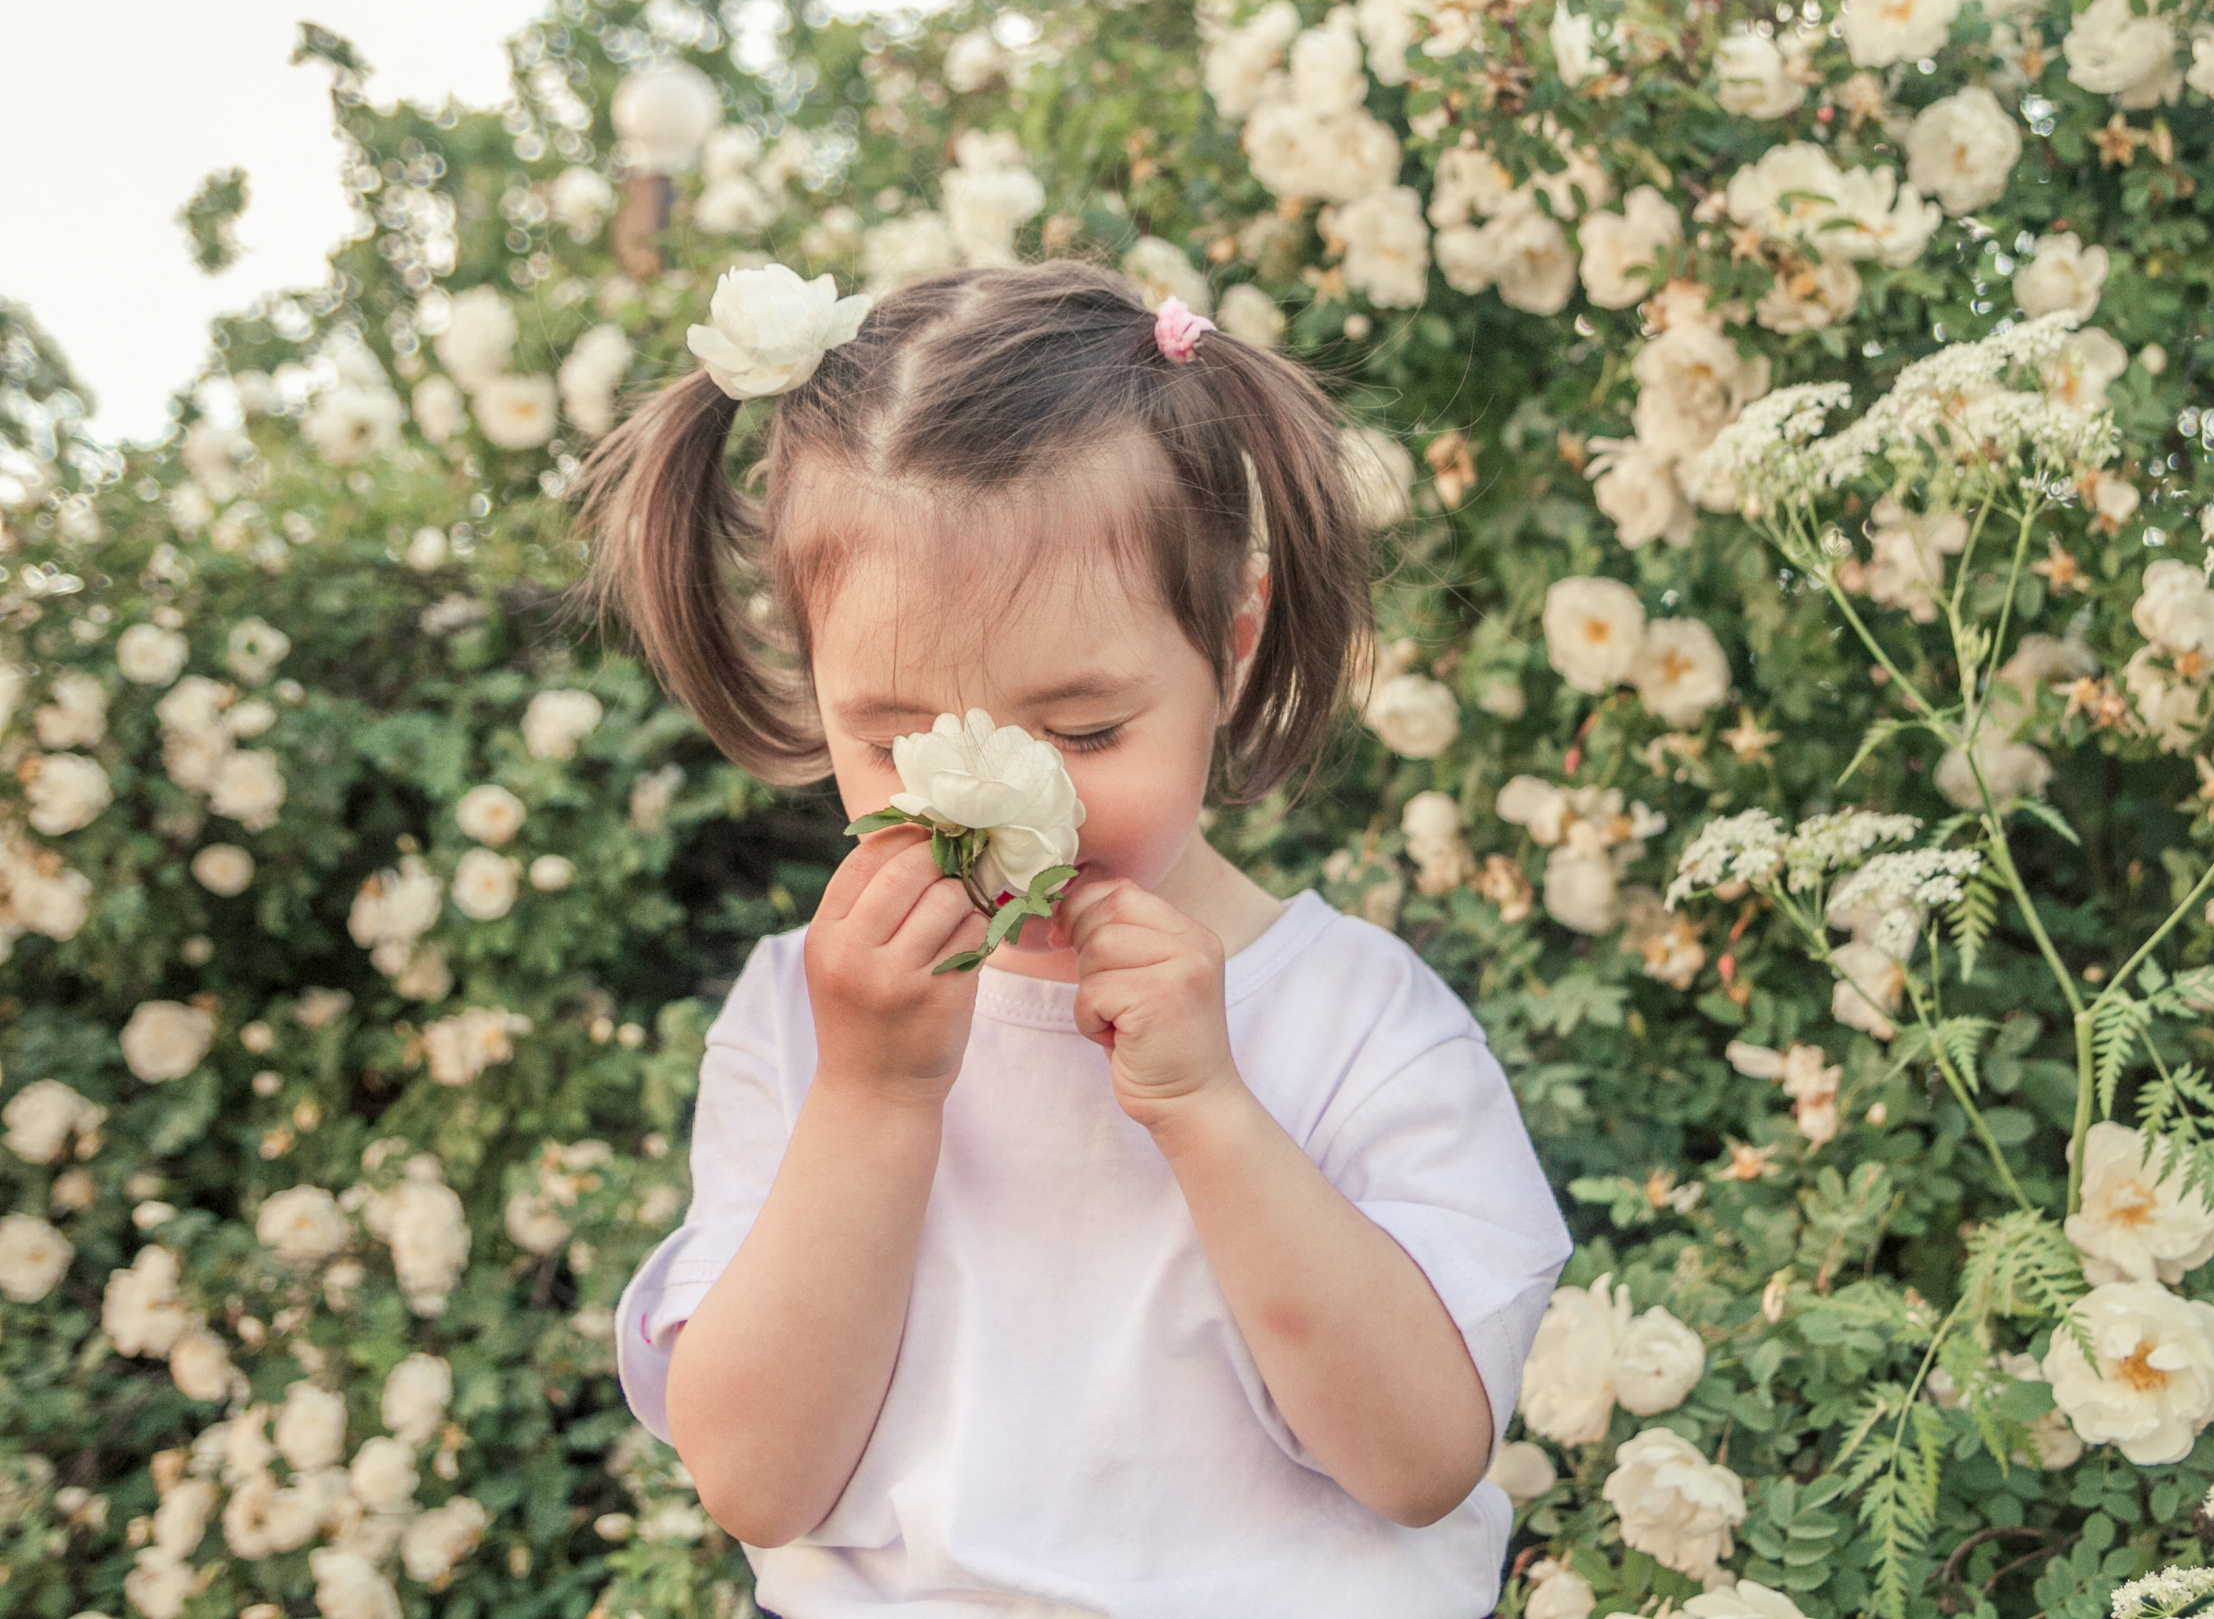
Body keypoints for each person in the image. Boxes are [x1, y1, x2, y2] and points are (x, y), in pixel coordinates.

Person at [573, 254, 1571, 1618]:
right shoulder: (806, 1019)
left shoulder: (1359, 1022)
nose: (997, 797)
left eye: (1085, 732)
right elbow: (754, 1480)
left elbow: (1421, 1462)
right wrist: (874, 1096)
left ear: (1230, 646)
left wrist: (1211, 1110)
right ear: (818, 690)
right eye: (897, 738)